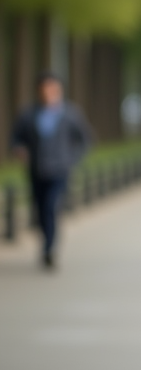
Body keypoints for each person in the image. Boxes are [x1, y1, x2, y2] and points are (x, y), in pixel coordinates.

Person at [11, 71, 93, 269]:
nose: (48, 93)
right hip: (36, 170)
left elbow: (85, 140)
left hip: (59, 171)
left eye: (52, 89)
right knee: (40, 209)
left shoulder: (71, 113)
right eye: (44, 89)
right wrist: (19, 148)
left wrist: (71, 160)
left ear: (59, 90)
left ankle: (49, 248)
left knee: (51, 206)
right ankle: (47, 243)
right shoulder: (29, 114)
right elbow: (16, 137)